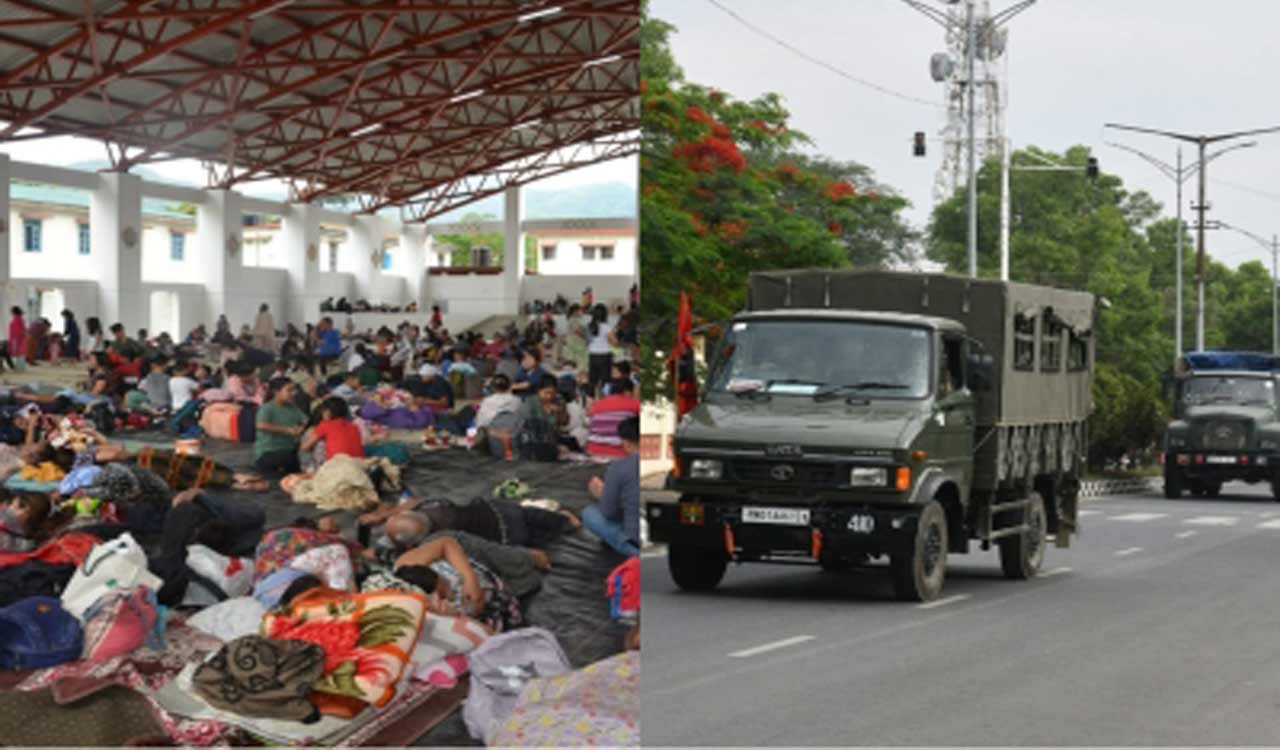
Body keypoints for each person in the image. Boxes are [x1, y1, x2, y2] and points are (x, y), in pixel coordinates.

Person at [583, 416, 640, 556]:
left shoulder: (619, 467)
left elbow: (610, 513)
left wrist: (602, 495)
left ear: (626, 443)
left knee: (589, 513)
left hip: (636, 543)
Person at [254, 378, 306, 476]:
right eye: (289, 390)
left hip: (289, 451)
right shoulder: (267, 408)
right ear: (276, 392)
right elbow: (260, 425)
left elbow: (306, 421)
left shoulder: (293, 407)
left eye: (294, 390)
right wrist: (286, 430)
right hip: (268, 453)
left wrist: (301, 428)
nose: (294, 393)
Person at [587, 377, 642, 458]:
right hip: (620, 453)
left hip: (594, 450)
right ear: (627, 392)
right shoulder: (634, 404)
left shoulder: (597, 404)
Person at [300, 396, 364, 462]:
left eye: (323, 410)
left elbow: (304, 447)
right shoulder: (354, 426)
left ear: (328, 412)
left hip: (337, 465)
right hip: (358, 463)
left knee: (319, 444)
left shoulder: (325, 425)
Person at [586, 303, 616, 395]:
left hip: (592, 356)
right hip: (605, 356)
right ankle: (605, 400)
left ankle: (591, 400)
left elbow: (587, 341)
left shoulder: (589, 326)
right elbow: (614, 342)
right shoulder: (606, 327)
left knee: (593, 381)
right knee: (605, 381)